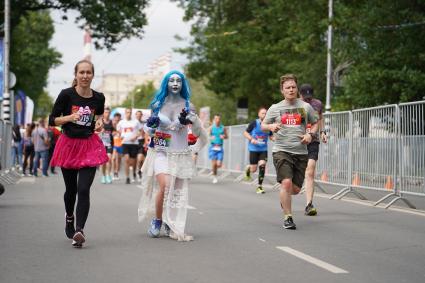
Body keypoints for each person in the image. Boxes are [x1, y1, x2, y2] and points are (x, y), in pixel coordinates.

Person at [137, 70, 207, 241]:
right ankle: (157, 220)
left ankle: (169, 222)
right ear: (166, 84)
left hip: (180, 153)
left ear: (183, 84)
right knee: (166, 185)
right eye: (171, 81)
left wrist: (194, 120)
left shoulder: (189, 105)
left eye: (178, 81)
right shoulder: (157, 104)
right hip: (161, 151)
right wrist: (151, 127)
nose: (175, 84)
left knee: (176, 191)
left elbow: (197, 132)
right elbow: (147, 128)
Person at [49, 59, 108, 247]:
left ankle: (79, 230)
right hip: (69, 145)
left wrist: (99, 123)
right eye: (81, 72)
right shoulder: (66, 95)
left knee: (83, 189)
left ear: (93, 75)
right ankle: (69, 217)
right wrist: (70, 117)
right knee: (71, 190)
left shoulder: (99, 97)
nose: (84, 76)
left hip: (89, 145)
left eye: (88, 72)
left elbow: (98, 117)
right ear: (76, 74)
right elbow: (52, 120)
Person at [261, 74, 318, 230]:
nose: (291, 89)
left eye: (293, 87)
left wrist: (310, 135)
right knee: (286, 182)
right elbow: (263, 125)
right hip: (282, 150)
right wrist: (271, 127)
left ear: (297, 88)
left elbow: (315, 123)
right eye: (288, 87)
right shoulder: (275, 108)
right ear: (282, 90)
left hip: (300, 152)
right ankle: (288, 217)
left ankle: (284, 197)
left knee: (296, 189)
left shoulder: (306, 107)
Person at [299, 84, 327, 216]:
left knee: (310, 171)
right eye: (305, 97)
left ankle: (309, 205)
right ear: (300, 94)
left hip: (313, 140)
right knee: (295, 175)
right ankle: (286, 192)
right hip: (297, 141)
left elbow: (320, 119)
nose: (308, 100)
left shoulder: (317, 104)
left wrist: (323, 132)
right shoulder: (295, 104)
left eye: (309, 97)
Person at [243, 107, 273, 194]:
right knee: (253, 169)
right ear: (259, 114)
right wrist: (251, 139)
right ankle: (248, 169)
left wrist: (274, 138)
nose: (264, 114)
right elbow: (245, 133)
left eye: (266, 113)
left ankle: (259, 186)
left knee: (262, 165)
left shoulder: (268, 124)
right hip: (253, 149)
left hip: (263, 149)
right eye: (263, 113)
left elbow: (271, 136)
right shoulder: (254, 123)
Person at [116, 108, 142, 184]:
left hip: (134, 144)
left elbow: (140, 131)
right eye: (127, 112)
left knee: (133, 162)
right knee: (127, 160)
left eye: (130, 112)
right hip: (125, 143)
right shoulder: (121, 122)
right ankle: (127, 177)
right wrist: (119, 136)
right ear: (125, 113)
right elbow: (118, 131)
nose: (129, 113)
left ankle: (134, 172)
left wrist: (136, 137)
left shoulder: (136, 121)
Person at [208, 114, 228, 184]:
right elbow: (208, 136)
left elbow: (227, 137)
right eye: (216, 119)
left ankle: (214, 171)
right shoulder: (211, 128)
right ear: (214, 120)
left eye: (219, 119)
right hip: (213, 147)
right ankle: (214, 176)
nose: (217, 120)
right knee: (214, 164)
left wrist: (224, 136)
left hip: (220, 147)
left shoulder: (223, 128)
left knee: (218, 164)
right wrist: (211, 138)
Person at [98, 107, 114, 184]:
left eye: (108, 112)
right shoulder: (100, 122)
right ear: (103, 113)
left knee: (109, 159)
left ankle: (108, 175)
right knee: (103, 162)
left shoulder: (112, 122)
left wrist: (115, 133)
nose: (107, 114)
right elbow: (95, 132)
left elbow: (115, 131)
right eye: (106, 112)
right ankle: (103, 176)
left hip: (109, 144)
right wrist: (101, 132)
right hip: (101, 144)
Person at [135, 110, 147, 181]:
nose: (139, 116)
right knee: (134, 159)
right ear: (135, 115)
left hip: (141, 141)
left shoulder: (144, 123)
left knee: (140, 159)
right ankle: (135, 171)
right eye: (137, 114)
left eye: (140, 114)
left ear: (142, 115)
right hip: (134, 142)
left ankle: (139, 172)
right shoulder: (133, 123)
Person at [112, 113, 123, 180]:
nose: (117, 119)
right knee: (113, 159)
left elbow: (122, 133)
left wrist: (118, 132)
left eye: (118, 118)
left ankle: (117, 172)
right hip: (114, 144)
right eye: (116, 118)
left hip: (121, 144)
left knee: (119, 160)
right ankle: (114, 172)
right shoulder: (112, 125)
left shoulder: (122, 125)